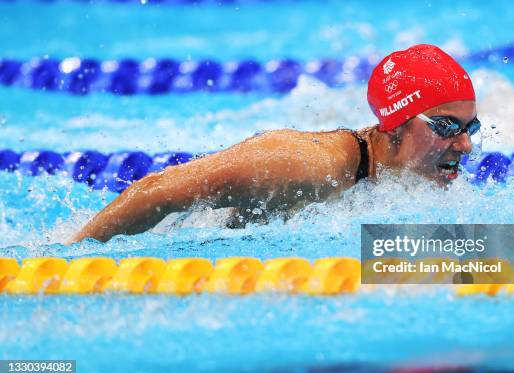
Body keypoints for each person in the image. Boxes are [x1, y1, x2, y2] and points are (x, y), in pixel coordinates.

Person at [69, 44, 480, 244]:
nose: (464, 146)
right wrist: (68, 257)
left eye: (470, 128)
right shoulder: (303, 165)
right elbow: (157, 190)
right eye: (446, 126)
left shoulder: (394, 177)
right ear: (394, 126)